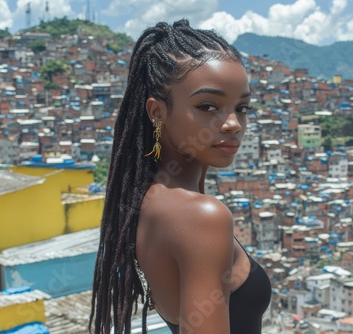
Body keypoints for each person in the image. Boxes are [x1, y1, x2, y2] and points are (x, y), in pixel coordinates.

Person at [89, 19, 271, 334]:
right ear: (157, 111)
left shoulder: (147, 202)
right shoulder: (201, 217)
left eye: (242, 108)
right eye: (208, 106)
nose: (233, 124)